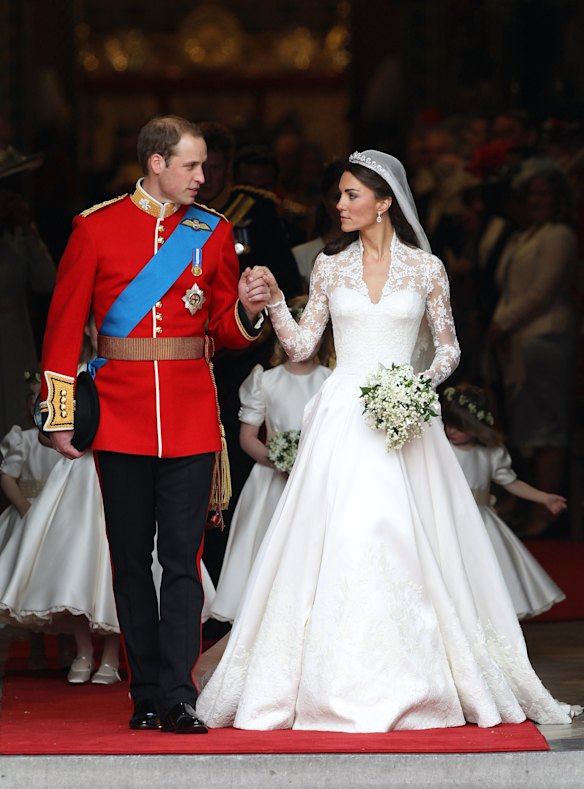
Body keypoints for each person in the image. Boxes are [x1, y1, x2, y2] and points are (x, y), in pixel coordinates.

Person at [196, 150, 578, 732]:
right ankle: (333, 678)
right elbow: (302, 348)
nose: (340, 204)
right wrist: (275, 302)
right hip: (343, 417)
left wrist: (414, 387)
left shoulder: (426, 269)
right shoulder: (329, 267)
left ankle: (418, 674)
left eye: (351, 195)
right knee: (345, 535)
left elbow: (448, 348)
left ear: (384, 202)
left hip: (404, 418)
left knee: (407, 538)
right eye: (340, 194)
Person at [38, 115, 270, 733]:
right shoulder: (95, 229)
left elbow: (223, 327)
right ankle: (144, 693)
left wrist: (248, 312)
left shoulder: (213, 232)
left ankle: (179, 694)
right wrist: (60, 414)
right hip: (119, 418)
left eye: (204, 165)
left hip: (192, 417)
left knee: (182, 561)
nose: (204, 176)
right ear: (157, 164)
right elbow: (63, 327)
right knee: (131, 564)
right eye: (192, 165)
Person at [209, 296, 333, 624]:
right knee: (264, 545)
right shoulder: (265, 379)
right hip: (270, 479)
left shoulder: (331, 380)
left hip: (317, 479)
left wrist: (308, 459)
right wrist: (277, 458)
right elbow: (247, 437)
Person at [489, 163, 579, 536]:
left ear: (558, 200)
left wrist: (502, 324)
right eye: (533, 195)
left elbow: (541, 292)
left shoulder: (559, 235)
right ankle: (530, 504)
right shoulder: (522, 236)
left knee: (546, 426)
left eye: (545, 194)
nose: (538, 201)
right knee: (524, 423)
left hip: (546, 337)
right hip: (518, 340)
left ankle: (548, 512)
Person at [441, 383, 566, 619]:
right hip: (446, 516)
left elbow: (512, 482)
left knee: (484, 570)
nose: (451, 431)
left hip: (480, 521)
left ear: (476, 426)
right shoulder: (442, 449)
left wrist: (545, 497)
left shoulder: (490, 453)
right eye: (448, 424)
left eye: (460, 426)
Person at [0, 372, 60, 669]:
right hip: (30, 511)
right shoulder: (22, 439)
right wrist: (24, 508)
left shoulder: (63, 440)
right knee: (28, 579)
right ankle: (35, 647)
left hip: (59, 514)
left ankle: (65, 646)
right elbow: (8, 477)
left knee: (57, 577)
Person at [292, 160, 345, 290]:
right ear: (325, 201)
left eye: (353, 196)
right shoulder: (302, 254)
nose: (344, 205)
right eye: (337, 197)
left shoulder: (379, 251)